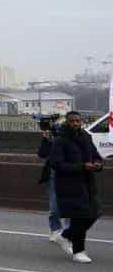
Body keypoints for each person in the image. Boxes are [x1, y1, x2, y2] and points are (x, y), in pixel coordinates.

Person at [49, 112, 104, 263]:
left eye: (77, 121)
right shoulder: (60, 141)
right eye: (72, 121)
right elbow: (56, 164)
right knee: (79, 218)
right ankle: (79, 251)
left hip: (88, 182)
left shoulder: (86, 136)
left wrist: (98, 164)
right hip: (69, 185)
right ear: (67, 123)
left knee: (94, 213)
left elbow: (95, 154)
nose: (75, 123)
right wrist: (81, 166)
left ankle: (65, 235)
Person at [37, 118, 69, 242]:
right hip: (53, 175)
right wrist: (45, 138)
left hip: (69, 175)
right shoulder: (52, 140)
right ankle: (55, 229)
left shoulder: (73, 140)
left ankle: (68, 232)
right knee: (55, 207)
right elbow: (41, 154)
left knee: (70, 206)